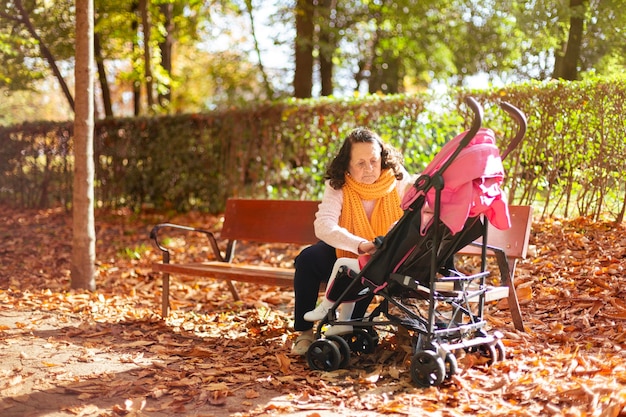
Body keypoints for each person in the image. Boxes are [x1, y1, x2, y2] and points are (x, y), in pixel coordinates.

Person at [291, 127, 413, 356]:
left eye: (373, 161)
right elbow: (324, 225)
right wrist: (359, 244)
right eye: (360, 163)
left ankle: (346, 327)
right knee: (308, 259)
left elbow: (413, 216)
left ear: (382, 159)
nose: (368, 169)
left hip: (384, 255)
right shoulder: (338, 183)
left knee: (349, 327)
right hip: (348, 249)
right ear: (347, 164)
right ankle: (305, 333)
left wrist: (385, 242)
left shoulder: (397, 179)